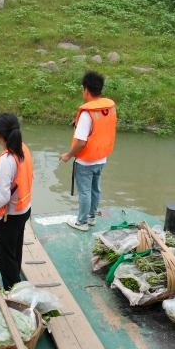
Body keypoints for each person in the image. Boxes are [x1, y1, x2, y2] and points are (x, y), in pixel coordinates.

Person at [60, 71, 117, 231]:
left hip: (85, 161)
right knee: (95, 189)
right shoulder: (109, 108)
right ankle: (92, 218)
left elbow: (80, 143)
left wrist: (67, 155)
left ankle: (82, 222)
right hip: (101, 158)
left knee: (84, 192)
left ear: (86, 89)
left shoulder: (86, 114)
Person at [0, 113, 33, 290]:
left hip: (10, 215)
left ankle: (13, 291)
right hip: (24, 209)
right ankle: (17, 282)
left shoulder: (7, 160)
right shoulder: (24, 149)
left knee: (5, 256)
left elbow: (2, 197)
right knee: (15, 249)